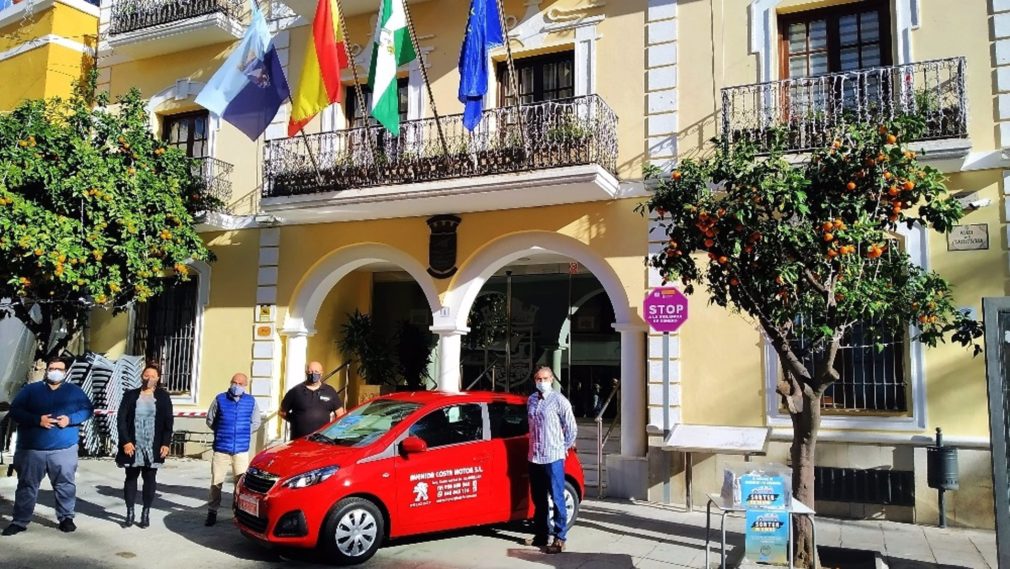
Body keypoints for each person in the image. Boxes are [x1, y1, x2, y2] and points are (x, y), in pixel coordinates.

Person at [3, 357, 94, 536]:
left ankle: (66, 518)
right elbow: (15, 411)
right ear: (46, 371)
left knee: (65, 485)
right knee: (27, 486)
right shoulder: (30, 390)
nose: (55, 371)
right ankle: (19, 521)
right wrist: (37, 420)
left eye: (59, 369)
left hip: (63, 449)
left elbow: (87, 410)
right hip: (32, 449)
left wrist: (70, 419)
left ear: (65, 372)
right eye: (52, 368)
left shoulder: (75, 392)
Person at [525, 366, 577, 554]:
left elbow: (571, 427)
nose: (542, 382)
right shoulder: (531, 400)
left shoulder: (559, 401)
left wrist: (563, 448)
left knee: (556, 497)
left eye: (545, 378)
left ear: (552, 379)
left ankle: (560, 537)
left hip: (553, 456)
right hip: (535, 456)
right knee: (538, 498)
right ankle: (541, 534)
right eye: (538, 379)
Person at [115, 364, 174, 529]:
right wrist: (126, 441)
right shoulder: (130, 395)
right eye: (146, 375)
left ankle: (146, 512)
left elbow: (168, 422)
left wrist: (165, 443)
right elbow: (121, 420)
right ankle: (130, 512)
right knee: (131, 478)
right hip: (133, 445)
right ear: (142, 376)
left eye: (153, 376)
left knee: (149, 478)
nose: (149, 378)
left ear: (158, 378)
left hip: (152, 445)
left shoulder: (163, 397)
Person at [204, 373, 260, 527]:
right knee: (216, 482)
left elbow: (256, 422)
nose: (237, 385)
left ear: (245, 385)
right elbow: (210, 419)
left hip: (241, 449)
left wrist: (243, 432)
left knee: (240, 483)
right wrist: (222, 430)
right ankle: (212, 511)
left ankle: (237, 511)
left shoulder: (251, 401)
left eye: (240, 383)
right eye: (234, 382)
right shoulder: (220, 399)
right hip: (221, 448)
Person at [279, 361, 345, 440]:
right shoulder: (295, 391)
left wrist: (332, 432)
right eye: (310, 372)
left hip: (322, 441)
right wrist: (295, 420)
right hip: (299, 441)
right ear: (306, 372)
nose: (313, 374)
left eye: (316, 372)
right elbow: (282, 412)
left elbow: (340, 414)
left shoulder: (330, 391)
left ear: (321, 373)